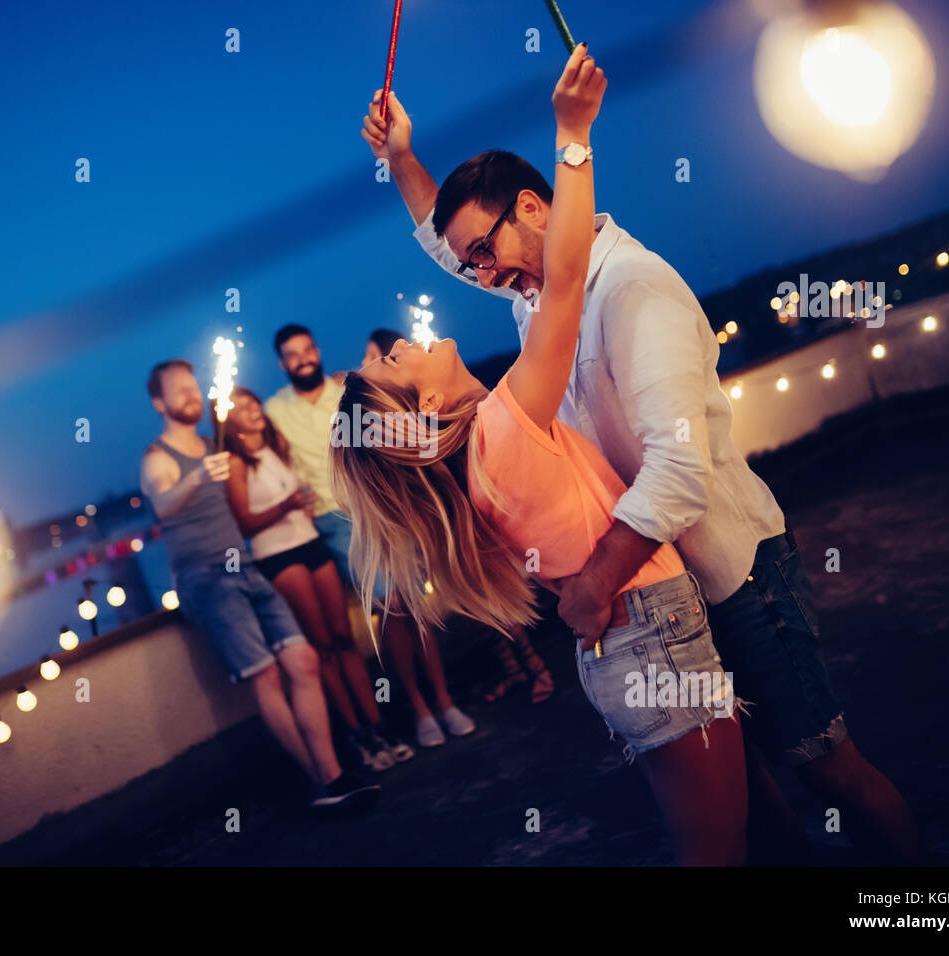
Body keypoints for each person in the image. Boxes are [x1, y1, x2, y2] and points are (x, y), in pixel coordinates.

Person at [361, 58, 923, 863]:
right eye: (474, 265)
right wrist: (403, 159)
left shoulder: (632, 289)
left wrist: (594, 583)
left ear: (534, 207)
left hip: (733, 577)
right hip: (666, 597)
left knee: (829, 770)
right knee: (751, 798)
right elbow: (460, 248)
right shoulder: (537, 295)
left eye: (486, 252)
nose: (482, 277)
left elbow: (679, 468)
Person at [333, 46, 748, 865]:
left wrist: (402, 161)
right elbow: (561, 277)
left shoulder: (477, 450)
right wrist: (573, 135)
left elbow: (492, 262)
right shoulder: (502, 434)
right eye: (389, 362)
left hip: (627, 642)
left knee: (727, 824)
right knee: (717, 851)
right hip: (651, 629)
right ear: (420, 410)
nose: (394, 343)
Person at [139, 359, 379, 810]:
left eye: (194, 387)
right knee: (266, 673)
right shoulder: (158, 458)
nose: (191, 396)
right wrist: (194, 478)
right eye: (179, 390)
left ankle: (335, 774)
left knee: (304, 660)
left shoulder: (217, 444)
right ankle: (323, 783)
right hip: (205, 580)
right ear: (159, 402)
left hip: (244, 567)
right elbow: (164, 504)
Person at [265, 324, 477, 747]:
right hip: (331, 520)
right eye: (293, 354)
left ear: (318, 350)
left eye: (309, 349)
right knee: (392, 604)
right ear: (282, 363)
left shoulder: (347, 389)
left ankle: (444, 701)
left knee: (413, 604)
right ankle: (420, 709)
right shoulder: (275, 412)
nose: (304, 358)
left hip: (376, 505)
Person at [216, 386, 414, 772]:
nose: (252, 409)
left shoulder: (277, 448)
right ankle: (358, 739)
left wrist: (301, 507)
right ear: (229, 421)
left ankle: (379, 727)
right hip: (278, 556)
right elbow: (243, 522)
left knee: (344, 639)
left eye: (253, 401)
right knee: (321, 646)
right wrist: (287, 506)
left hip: (310, 544)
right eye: (240, 407)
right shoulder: (235, 464)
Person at [361, 331, 555, 706]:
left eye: (382, 356)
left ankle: (536, 668)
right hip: (454, 517)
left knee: (494, 600)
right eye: (385, 358)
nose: (400, 347)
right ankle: (518, 672)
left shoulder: (487, 428)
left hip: (467, 511)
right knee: (480, 604)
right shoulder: (473, 427)